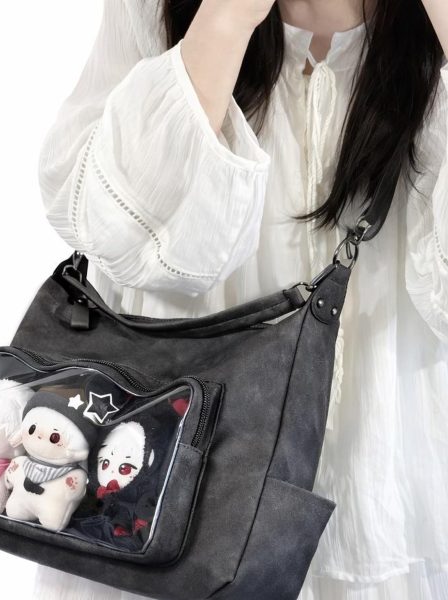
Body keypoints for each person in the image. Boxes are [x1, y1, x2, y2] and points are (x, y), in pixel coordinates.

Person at [33, 0, 448, 598]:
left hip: (389, 507)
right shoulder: (156, 9)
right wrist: (224, 21)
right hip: (168, 512)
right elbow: (108, 231)